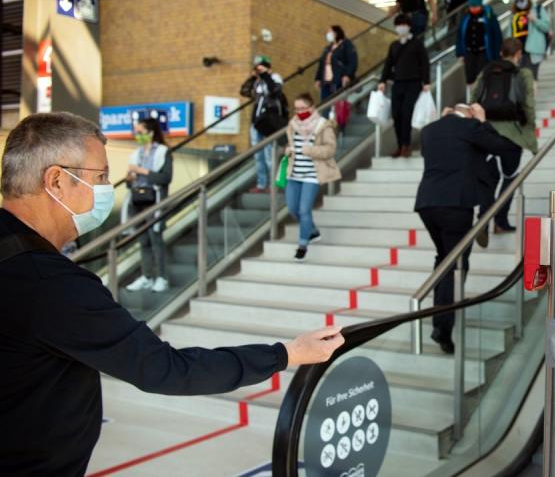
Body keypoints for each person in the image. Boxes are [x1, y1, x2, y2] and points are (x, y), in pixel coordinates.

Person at [0, 112, 345, 475]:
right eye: (100, 177)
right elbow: (166, 370)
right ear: (56, 181)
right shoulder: (51, 285)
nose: (106, 188)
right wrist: (285, 354)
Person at [414, 103, 517, 353]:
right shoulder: (470, 126)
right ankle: (443, 326)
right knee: (456, 264)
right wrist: (482, 122)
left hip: (427, 203)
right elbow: (502, 147)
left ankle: (442, 315)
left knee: (444, 259)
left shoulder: (429, 130)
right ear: (470, 112)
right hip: (456, 205)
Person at [472, 38, 537, 241]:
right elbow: (528, 104)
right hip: (512, 135)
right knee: (509, 180)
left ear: (501, 53)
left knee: (490, 179)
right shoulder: (523, 73)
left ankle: (483, 218)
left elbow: (474, 99)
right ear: (518, 54)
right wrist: (530, 132)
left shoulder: (487, 71)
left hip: (487, 132)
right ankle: (500, 221)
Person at [284, 93, 341, 261]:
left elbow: (330, 150)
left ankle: (302, 245)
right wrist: (289, 149)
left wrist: (309, 150)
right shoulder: (293, 124)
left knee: (304, 210)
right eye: (297, 108)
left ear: (312, 107)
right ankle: (313, 231)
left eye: (303, 108)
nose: (300, 111)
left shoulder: (323, 126)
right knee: (292, 208)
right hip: (294, 173)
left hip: (313, 174)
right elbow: (293, 144)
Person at [123, 117, 173, 293]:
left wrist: (142, 171)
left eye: (141, 132)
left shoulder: (163, 152)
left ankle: (162, 277)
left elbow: (166, 178)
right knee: (143, 240)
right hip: (137, 201)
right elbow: (130, 183)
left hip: (154, 200)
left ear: (151, 133)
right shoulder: (136, 154)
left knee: (155, 239)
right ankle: (147, 276)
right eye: (136, 133)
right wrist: (130, 179)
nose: (138, 136)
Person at [378, 14, 431, 158]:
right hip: (398, 83)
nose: (401, 27)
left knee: (407, 113)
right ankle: (400, 144)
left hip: (414, 83)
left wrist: (426, 82)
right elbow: (388, 65)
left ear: (409, 26)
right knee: (396, 114)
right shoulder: (394, 46)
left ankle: (406, 145)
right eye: (398, 25)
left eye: (404, 24)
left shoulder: (417, 43)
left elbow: (424, 63)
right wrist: (382, 81)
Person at [241, 55, 287, 193]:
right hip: (256, 123)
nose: (259, 70)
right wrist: (253, 77)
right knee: (258, 155)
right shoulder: (257, 82)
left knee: (269, 155)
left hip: (269, 122)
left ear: (269, 68)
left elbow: (275, 91)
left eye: (261, 67)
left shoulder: (275, 78)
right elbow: (244, 91)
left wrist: (265, 75)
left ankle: (274, 184)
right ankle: (262, 184)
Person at [456, 0, 502, 87]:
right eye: (471, 7)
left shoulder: (489, 17)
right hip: (469, 53)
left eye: (475, 6)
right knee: (470, 78)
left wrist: (497, 54)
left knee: (482, 76)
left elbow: (497, 36)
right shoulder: (466, 18)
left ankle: (482, 98)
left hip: (484, 52)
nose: (473, 9)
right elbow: (460, 36)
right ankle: (473, 98)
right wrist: (460, 53)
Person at [314, 25, 358, 101]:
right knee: (325, 103)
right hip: (326, 82)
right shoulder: (328, 48)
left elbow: (352, 61)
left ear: (336, 33)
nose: (328, 34)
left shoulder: (346, 45)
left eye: (329, 32)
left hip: (338, 81)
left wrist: (348, 75)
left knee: (336, 103)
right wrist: (318, 79)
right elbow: (322, 64)